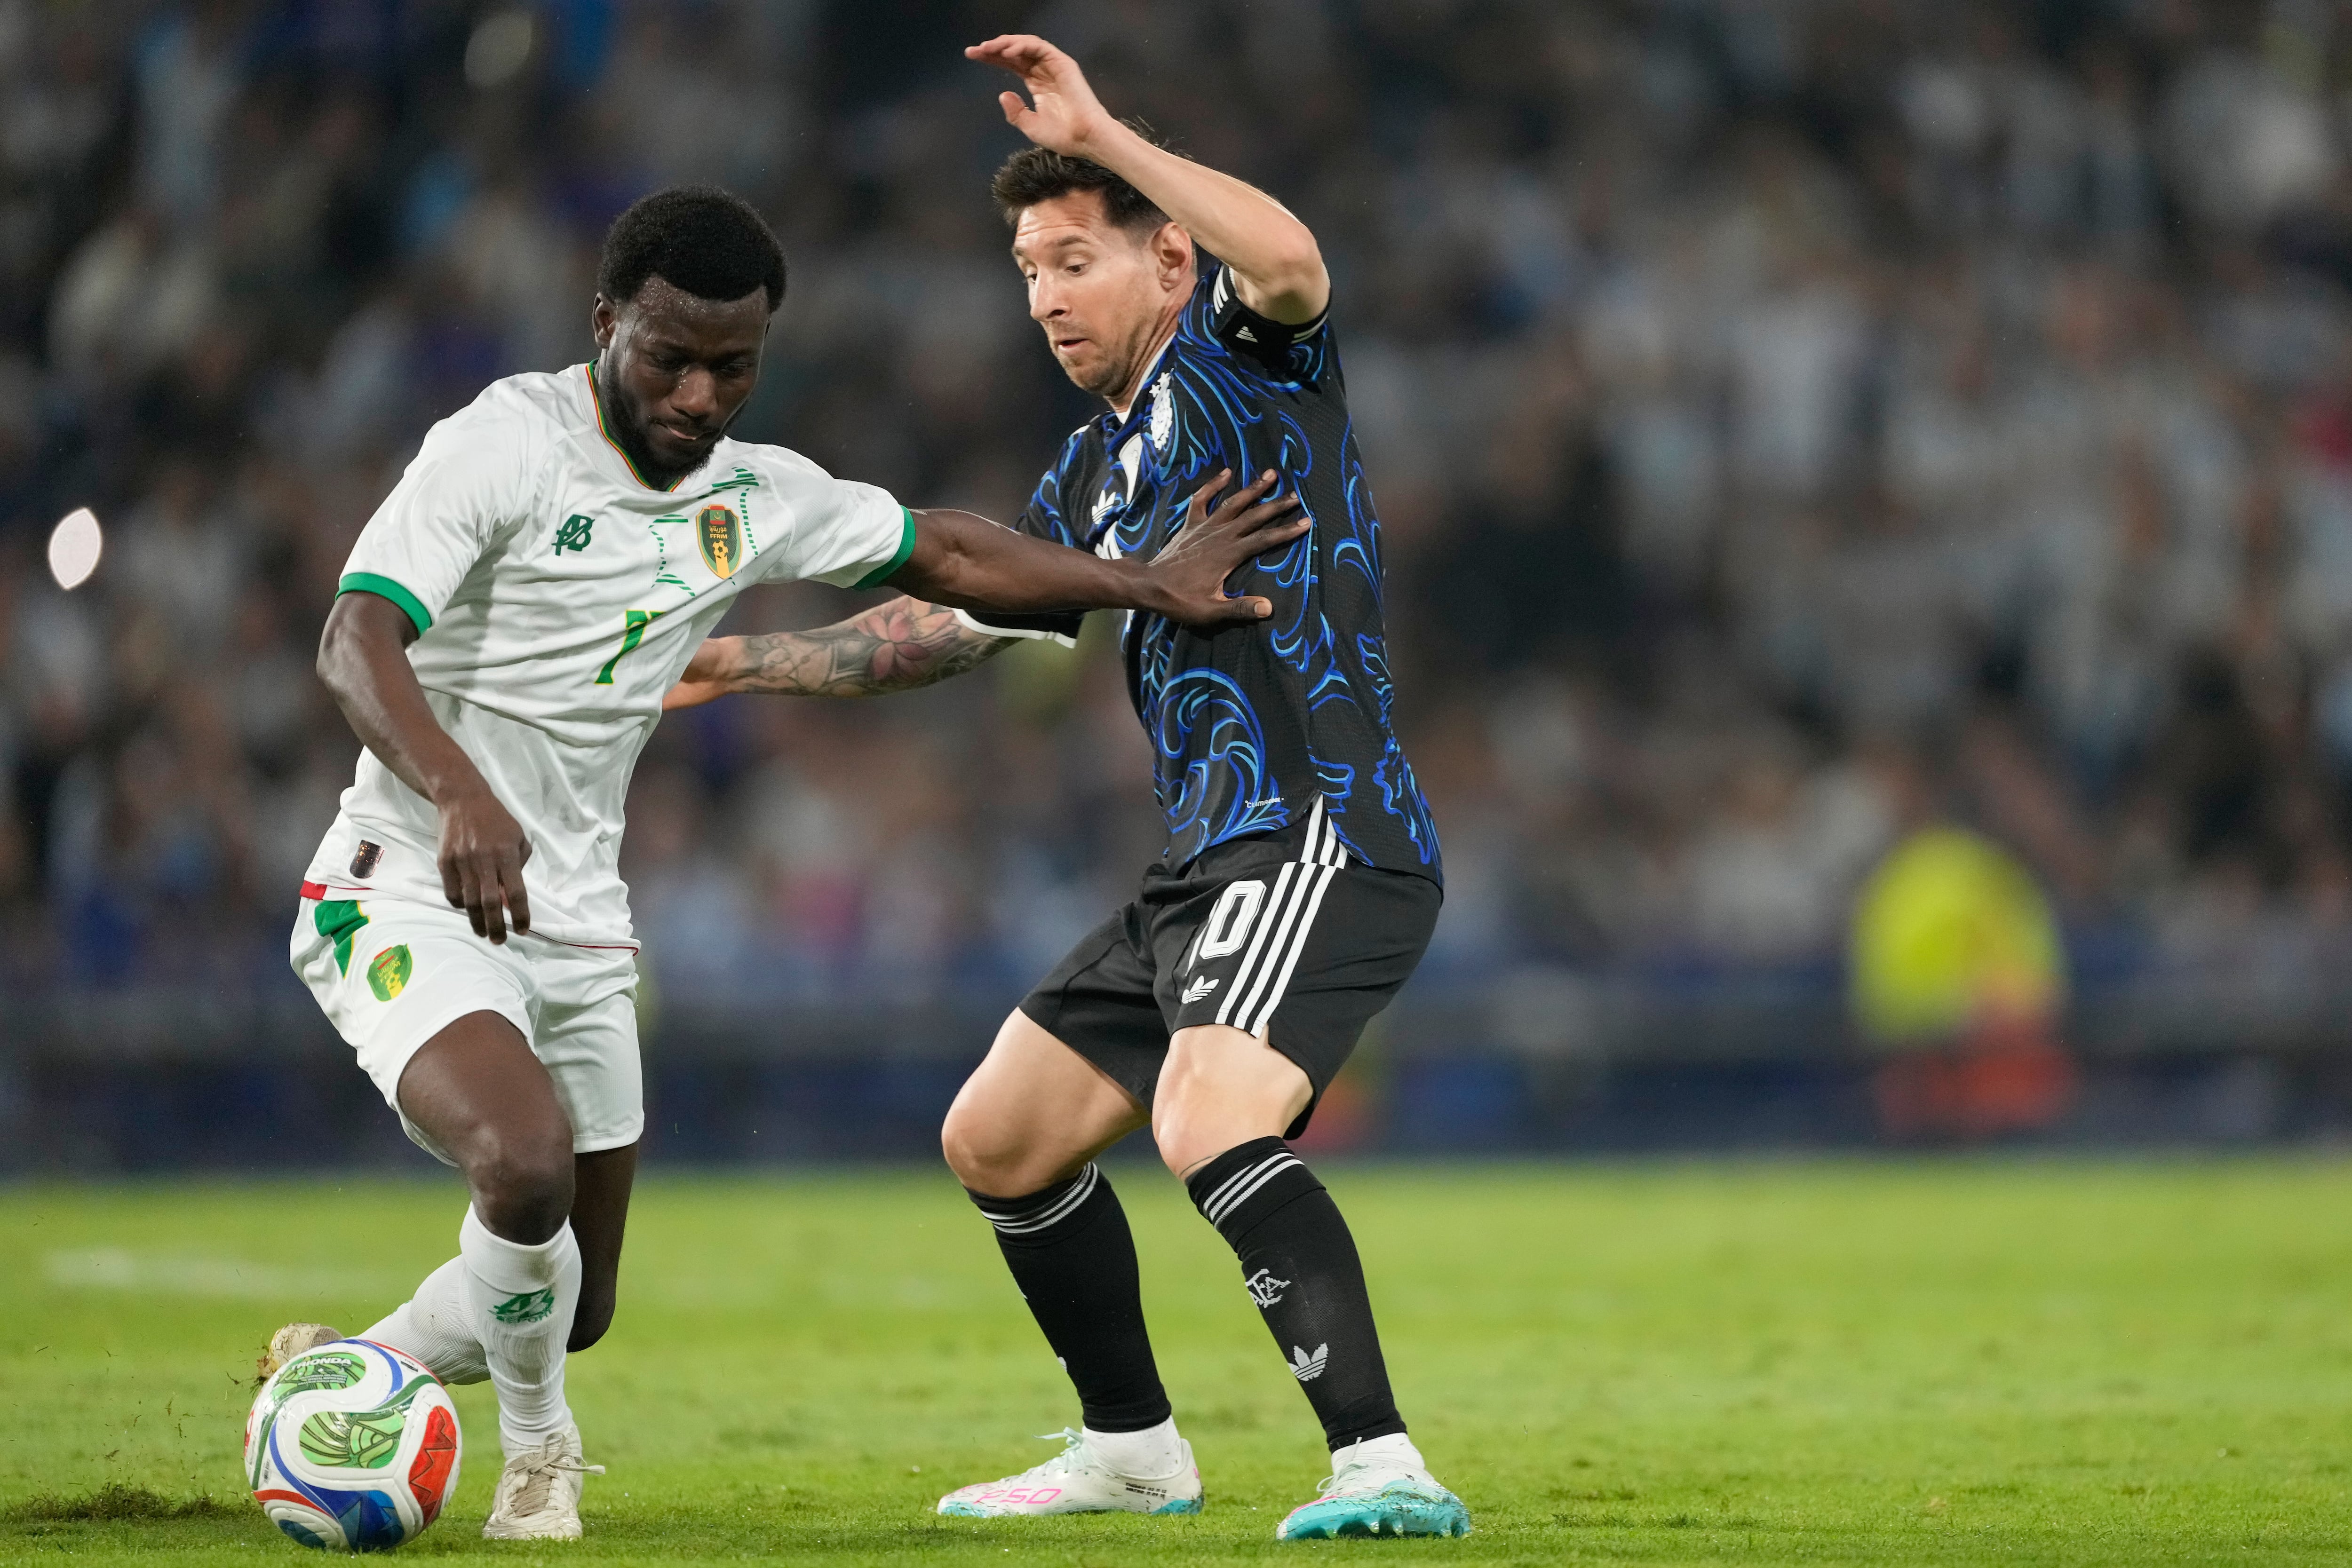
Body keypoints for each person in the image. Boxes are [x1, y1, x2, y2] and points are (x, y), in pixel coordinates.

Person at [265, 183, 1303, 1543]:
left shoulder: (757, 495)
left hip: (575, 923)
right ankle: (540, 1464)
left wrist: (1142, 585)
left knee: (572, 1302)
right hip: (403, 879)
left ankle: (358, 1374)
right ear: (605, 325)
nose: (700, 395)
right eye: (671, 357)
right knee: (520, 1170)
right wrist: (458, 796)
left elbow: (950, 551)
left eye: (734, 366)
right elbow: (354, 643)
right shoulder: (500, 447)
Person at [665, 37, 1465, 1542]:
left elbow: (1291, 257)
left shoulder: (1247, 351)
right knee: (1000, 1138)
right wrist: (731, 667)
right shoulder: (1095, 474)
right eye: (1028, 268)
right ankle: (1131, 1450)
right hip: (1203, 862)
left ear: (1168, 260)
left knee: (1209, 1113)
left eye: (1074, 260)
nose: (1043, 296)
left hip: (1321, 833)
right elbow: (952, 626)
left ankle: (1382, 1466)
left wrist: (1107, 128)